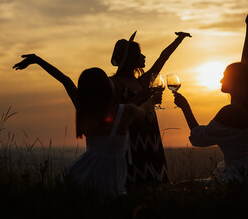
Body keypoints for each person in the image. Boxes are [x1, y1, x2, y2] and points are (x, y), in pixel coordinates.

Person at [13, 61, 160, 199]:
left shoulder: (84, 109)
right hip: (109, 182)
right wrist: (152, 100)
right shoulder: (125, 111)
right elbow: (144, 110)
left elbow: (65, 80)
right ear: (106, 87)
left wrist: (38, 60)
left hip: (84, 172)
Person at [173, 8, 248, 186]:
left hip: (238, 176)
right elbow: (245, 66)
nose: (221, 79)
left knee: (180, 187)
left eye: (225, 76)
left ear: (236, 82)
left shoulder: (230, 112)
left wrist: (185, 107)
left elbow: (199, 138)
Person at [110, 31, 191, 184]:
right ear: (131, 58)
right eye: (139, 54)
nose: (144, 56)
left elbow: (163, 58)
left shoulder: (142, 81)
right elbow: (115, 113)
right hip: (132, 137)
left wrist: (178, 40)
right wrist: (141, 98)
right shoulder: (114, 83)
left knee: (154, 175)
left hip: (150, 134)